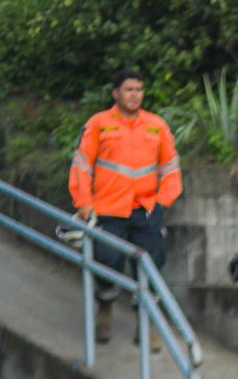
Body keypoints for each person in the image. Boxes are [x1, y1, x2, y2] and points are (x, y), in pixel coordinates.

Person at [68, 68, 181, 348]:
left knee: (152, 264)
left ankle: (146, 323)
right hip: (109, 209)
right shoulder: (99, 124)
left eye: (139, 90)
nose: (135, 95)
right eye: (129, 89)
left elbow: (171, 169)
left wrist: (162, 201)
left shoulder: (156, 125)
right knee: (107, 260)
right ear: (115, 93)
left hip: (146, 209)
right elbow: (82, 165)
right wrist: (84, 203)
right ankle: (105, 308)